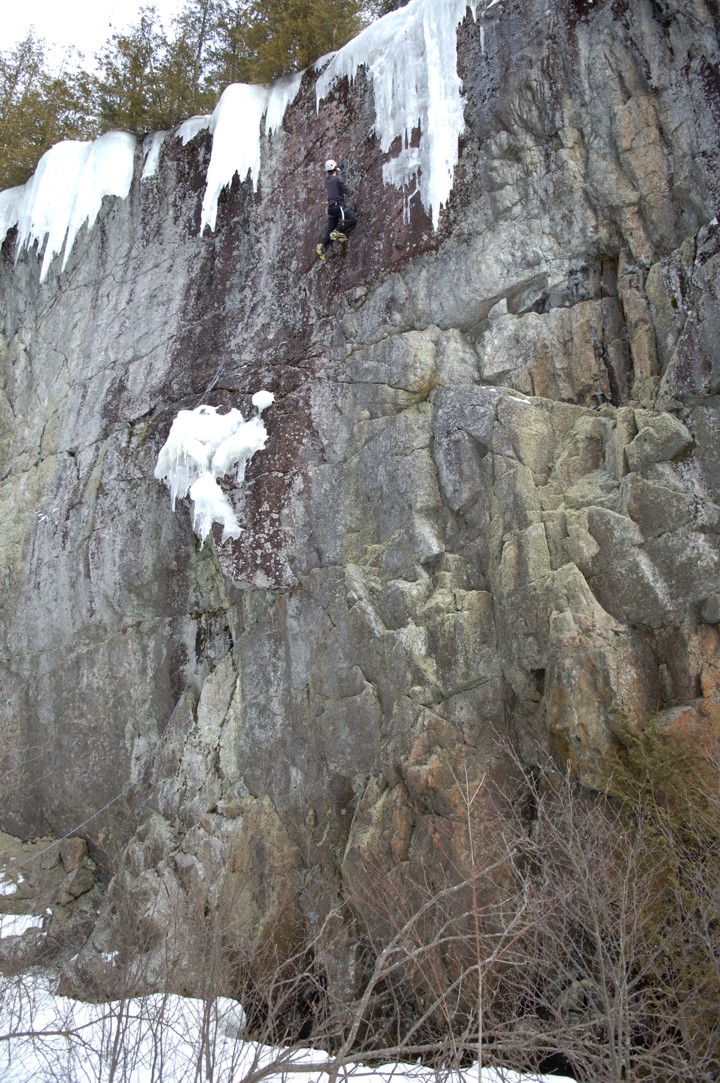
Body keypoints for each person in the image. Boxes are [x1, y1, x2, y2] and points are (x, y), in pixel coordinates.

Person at [316, 158, 357, 261]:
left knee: (329, 230)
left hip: (331, 208)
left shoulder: (327, 181)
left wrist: (341, 172)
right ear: (335, 168)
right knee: (352, 220)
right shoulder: (338, 179)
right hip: (339, 206)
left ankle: (321, 245)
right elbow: (346, 190)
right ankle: (337, 231)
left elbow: (336, 180)